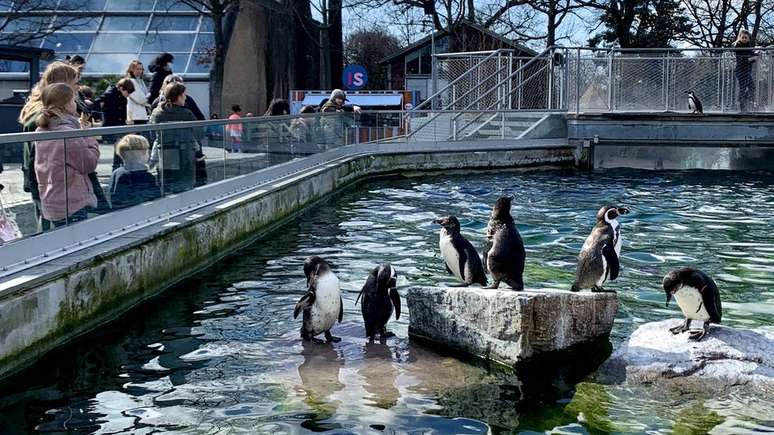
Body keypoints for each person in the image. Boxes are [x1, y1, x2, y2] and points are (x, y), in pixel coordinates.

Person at [18, 61, 80, 231]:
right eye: (75, 83)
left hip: (45, 183)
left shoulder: (41, 108)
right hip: (48, 185)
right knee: (50, 232)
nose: (78, 88)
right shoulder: (44, 114)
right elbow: (35, 157)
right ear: (63, 84)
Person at [34, 83, 99, 227]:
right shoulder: (67, 133)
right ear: (64, 105)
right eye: (73, 100)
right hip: (72, 204)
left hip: (52, 201)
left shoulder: (42, 129)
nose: (75, 104)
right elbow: (89, 164)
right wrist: (88, 136)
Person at [149, 83, 201, 194]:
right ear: (177, 96)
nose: (185, 97)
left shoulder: (157, 113)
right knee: (185, 186)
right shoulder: (186, 114)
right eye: (183, 95)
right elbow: (197, 132)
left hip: (165, 153)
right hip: (185, 154)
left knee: (167, 185)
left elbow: (152, 134)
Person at [109, 135, 161, 209]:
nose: (148, 154)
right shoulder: (144, 176)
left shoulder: (117, 172)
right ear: (140, 155)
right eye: (146, 151)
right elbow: (154, 199)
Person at [733, 30, 757, 113]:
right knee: (743, 88)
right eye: (742, 37)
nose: (744, 39)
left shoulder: (748, 46)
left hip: (747, 71)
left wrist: (755, 55)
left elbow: (751, 57)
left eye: (745, 38)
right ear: (739, 38)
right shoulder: (738, 46)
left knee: (752, 87)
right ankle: (742, 108)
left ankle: (749, 103)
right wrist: (752, 58)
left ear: (748, 39)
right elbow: (743, 60)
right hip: (740, 71)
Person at [125, 59, 150, 126]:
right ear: (132, 70)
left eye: (141, 69)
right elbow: (141, 99)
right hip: (135, 116)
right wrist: (151, 96)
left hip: (141, 115)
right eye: (137, 69)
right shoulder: (130, 81)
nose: (139, 71)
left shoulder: (141, 81)